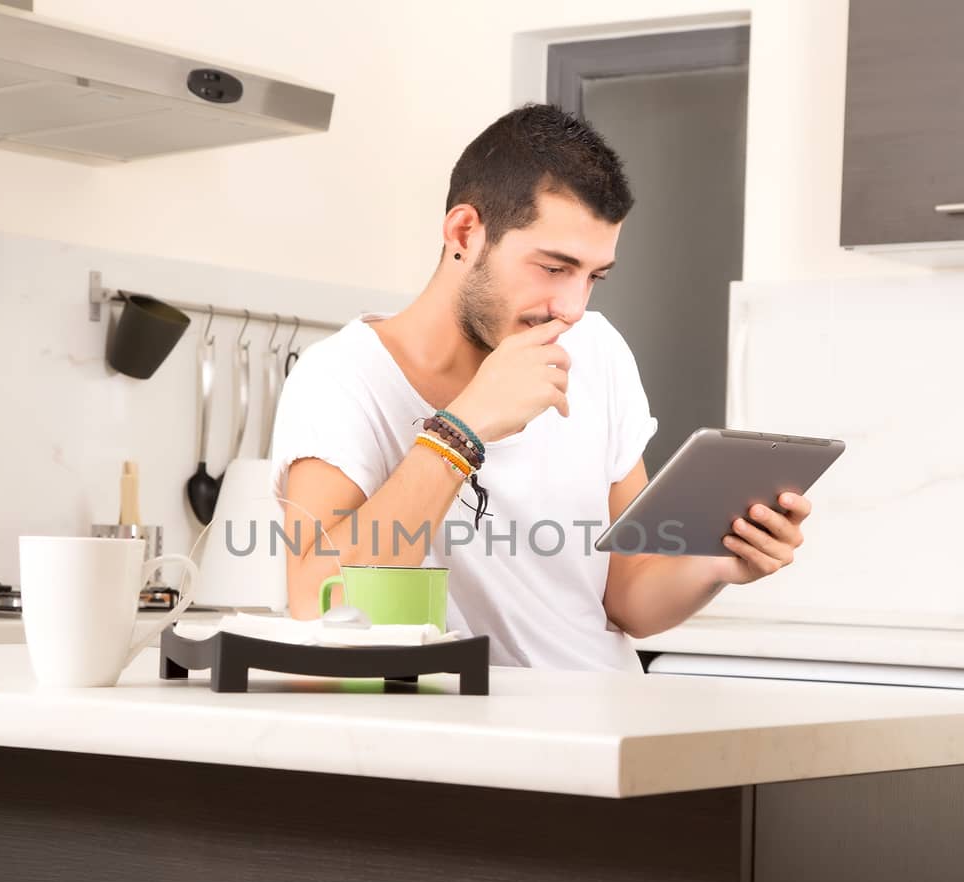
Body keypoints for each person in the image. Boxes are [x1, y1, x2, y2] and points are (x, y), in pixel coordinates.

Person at [268, 103, 813, 671]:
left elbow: (628, 596)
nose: (573, 308)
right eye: (554, 268)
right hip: (467, 731)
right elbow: (316, 602)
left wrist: (718, 563)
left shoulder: (596, 352)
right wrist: (461, 430)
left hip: (604, 720)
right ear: (464, 232)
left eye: (594, 277)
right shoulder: (341, 378)